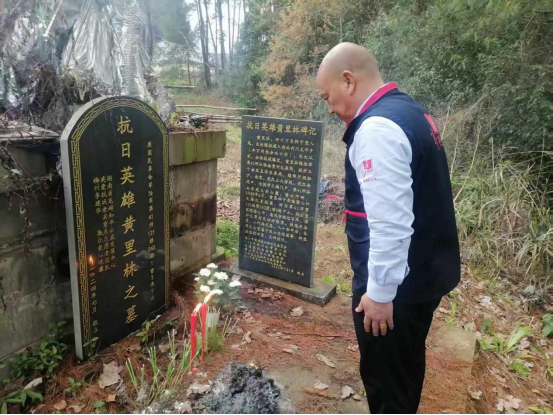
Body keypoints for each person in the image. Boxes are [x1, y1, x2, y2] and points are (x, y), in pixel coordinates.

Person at [317, 43, 461, 414]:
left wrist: (380, 295)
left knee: (388, 382)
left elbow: (390, 223)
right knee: (405, 366)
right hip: (425, 272)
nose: (329, 108)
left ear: (348, 81)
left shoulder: (377, 130)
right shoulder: (409, 109)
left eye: (327, 97)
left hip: (398, 291)